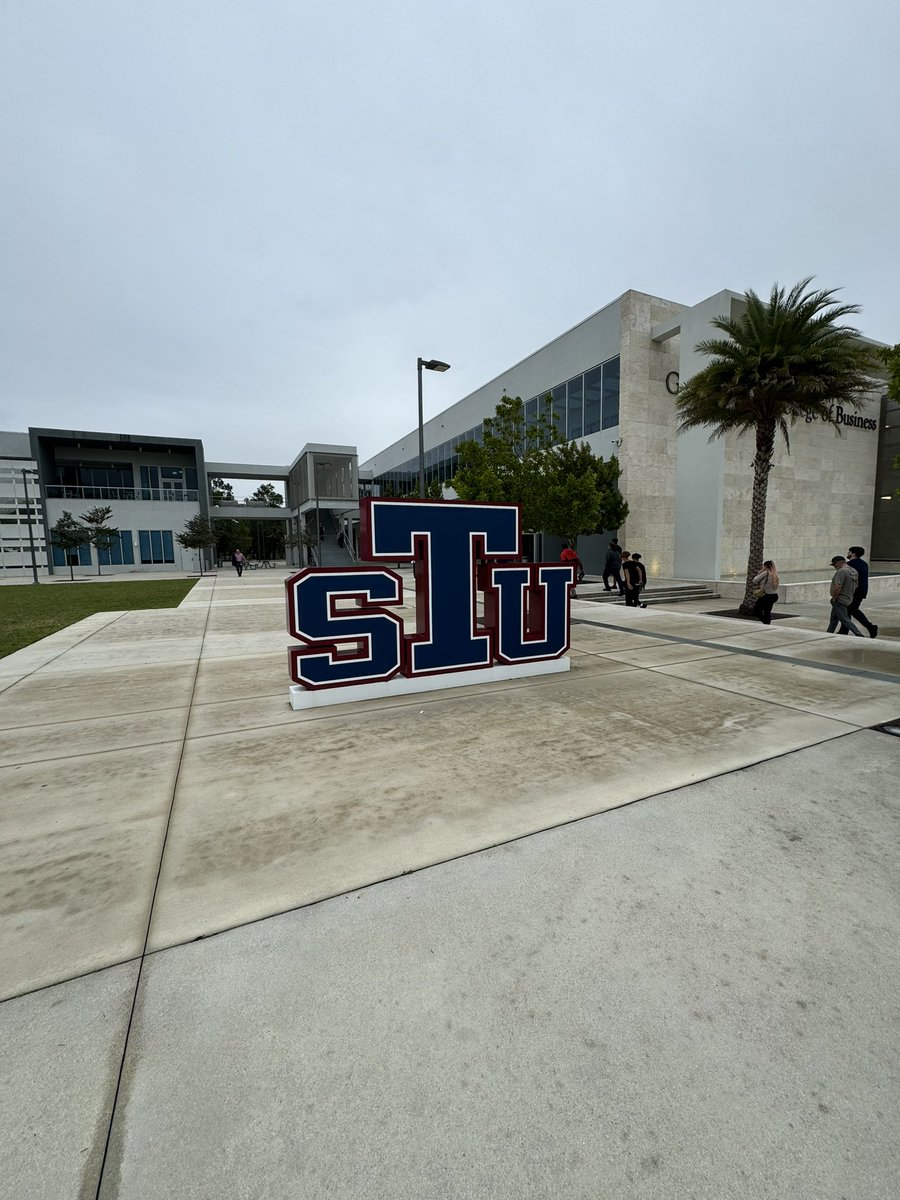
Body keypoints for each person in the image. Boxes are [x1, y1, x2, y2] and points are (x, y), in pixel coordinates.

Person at [842, 546, 877, 637]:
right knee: (848, 610)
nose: (847, 553)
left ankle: (870, 627)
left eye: (849, 552)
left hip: (854, 591)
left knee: (852, 609)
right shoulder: (864, 563)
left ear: (853, 553)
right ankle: (844, 629)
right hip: (861, 591)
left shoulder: (850, 564)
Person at [826, 555, 863, 636]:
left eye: (835, 565)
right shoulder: (854, 571)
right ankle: (829, 632)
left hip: (840, 599)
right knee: (834, 618)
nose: (835, 567)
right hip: (848, 597)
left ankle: (859, 634)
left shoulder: (841, 571)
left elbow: (838, 586)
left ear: (839, 562)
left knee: (844, 619)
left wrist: (834, 597)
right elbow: (856, 586)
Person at [751, 559, 780, 625]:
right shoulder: (774, 575)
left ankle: (766, 622)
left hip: (766, 595)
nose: (763, 567)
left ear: (766, 566)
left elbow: (755, 580)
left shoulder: (765, 573)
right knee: (767, 612)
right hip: (774, 596)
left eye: (763, 566)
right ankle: (767, 624)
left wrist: (759, 573)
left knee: (756, 610)